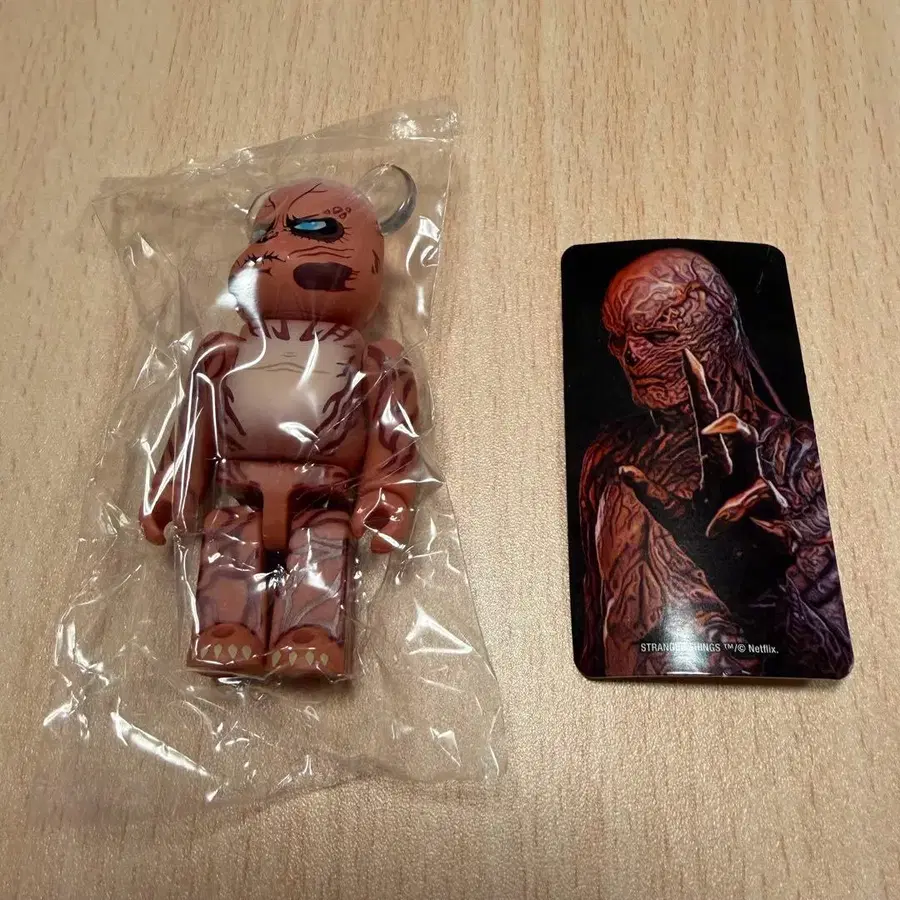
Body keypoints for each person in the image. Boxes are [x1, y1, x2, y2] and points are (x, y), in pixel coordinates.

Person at [578, 248, 852, 677]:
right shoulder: (609, 456)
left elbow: (830, 661)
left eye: (659, 335)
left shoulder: (802, 459)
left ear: (722, 334)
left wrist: (761, 596)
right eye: (618, 339)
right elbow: (597, 632)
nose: (630, 356)